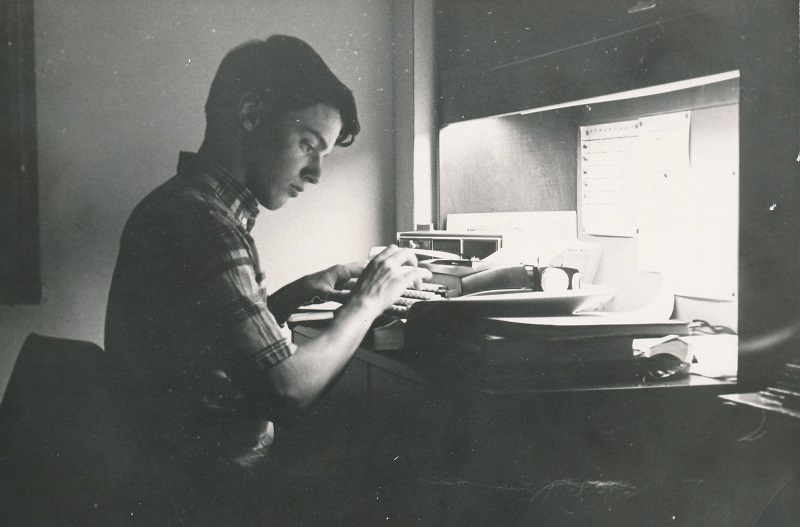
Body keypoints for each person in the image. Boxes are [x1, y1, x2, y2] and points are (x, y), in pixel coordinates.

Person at [104, 35, 430, 522]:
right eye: (307, 145)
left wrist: (294, 296)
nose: (316, 173)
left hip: (170, 476)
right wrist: (366, 301)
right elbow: (285, 391)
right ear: (251, 112)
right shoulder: (206, 225)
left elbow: (206, 346)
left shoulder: (185, 205)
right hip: (203, 492)